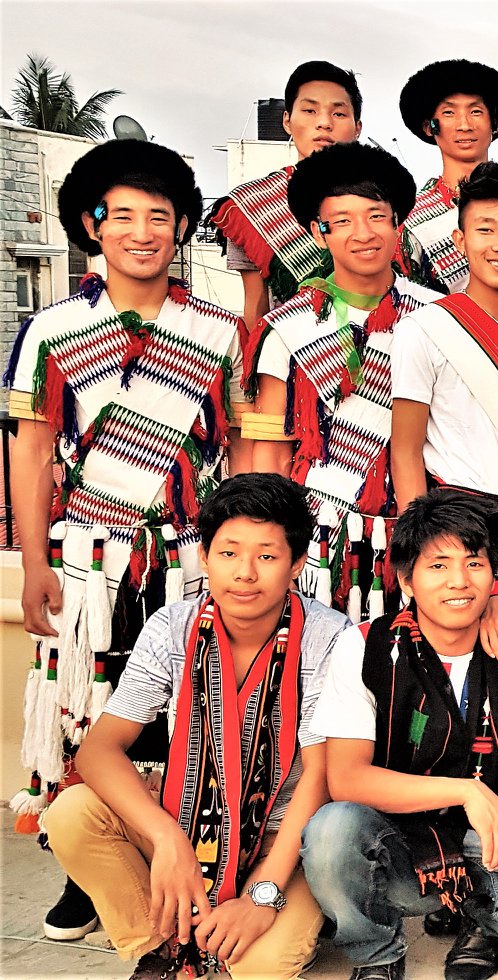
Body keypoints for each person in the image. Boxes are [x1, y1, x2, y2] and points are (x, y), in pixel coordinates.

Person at [7, 139, 244, 941]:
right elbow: (33, 450)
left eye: (160, 216)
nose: (143, 231)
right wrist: (35, 561)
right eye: (124, 216)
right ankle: (86, 867)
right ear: (90, 224)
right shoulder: (51, 329)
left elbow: (240, 447)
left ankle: (184, 858)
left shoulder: (218, 331)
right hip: (89, 557)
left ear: (180, 228)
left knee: (186, 710)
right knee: (87, 706)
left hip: (187, 553)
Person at [44, 475, 346, 980]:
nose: (245, 574)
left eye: (267, 557)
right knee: (72, 813)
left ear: (297, 564)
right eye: (228, 552)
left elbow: (320, 775)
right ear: (204, 556)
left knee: (262, 969)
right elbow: (99, 751)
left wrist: (262, 896)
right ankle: (169, 944)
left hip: (283, 845)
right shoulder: (172, 627)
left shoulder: (329, 637)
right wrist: (167, 839)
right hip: (190, 825)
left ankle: (257, 928)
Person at [301, 490, 498, 980]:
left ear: (494, 574)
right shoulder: (365, 648)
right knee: (331, 832)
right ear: (406, 578)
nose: (459, 582)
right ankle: (380, 954)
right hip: (396, 840)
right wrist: (464, 790)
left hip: (492, 840)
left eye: (474, 564)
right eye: (438, 565)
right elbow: (345, 779)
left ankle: (479, 922)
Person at [243, 140, 443, 621]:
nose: (363, 234)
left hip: (423, 528)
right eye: (343, 221)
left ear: (399, 224)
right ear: (318, 230)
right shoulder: (285, 330)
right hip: (318, 538)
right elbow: (272, 456)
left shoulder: (438, 317)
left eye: (377, 217)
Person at [390, 162, 498, 621]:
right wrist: (423, 556)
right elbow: (406, 453)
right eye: (485, 230)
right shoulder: (423, 329)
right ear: (460, 241)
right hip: (461, 544)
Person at [205, 61, 363, 340]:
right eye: (310, 110)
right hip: (294, 355)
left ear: (357, 127)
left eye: (338, 113)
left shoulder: (387, 200)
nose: (324, 122)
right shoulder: (251, 206)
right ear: (287, 121)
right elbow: (256, 305)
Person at [397, 60, 498, 295]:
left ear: (494, 123)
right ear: (429, 127)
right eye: (449, 113)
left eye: (475, 111)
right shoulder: (412, 217)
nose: (464, 125)